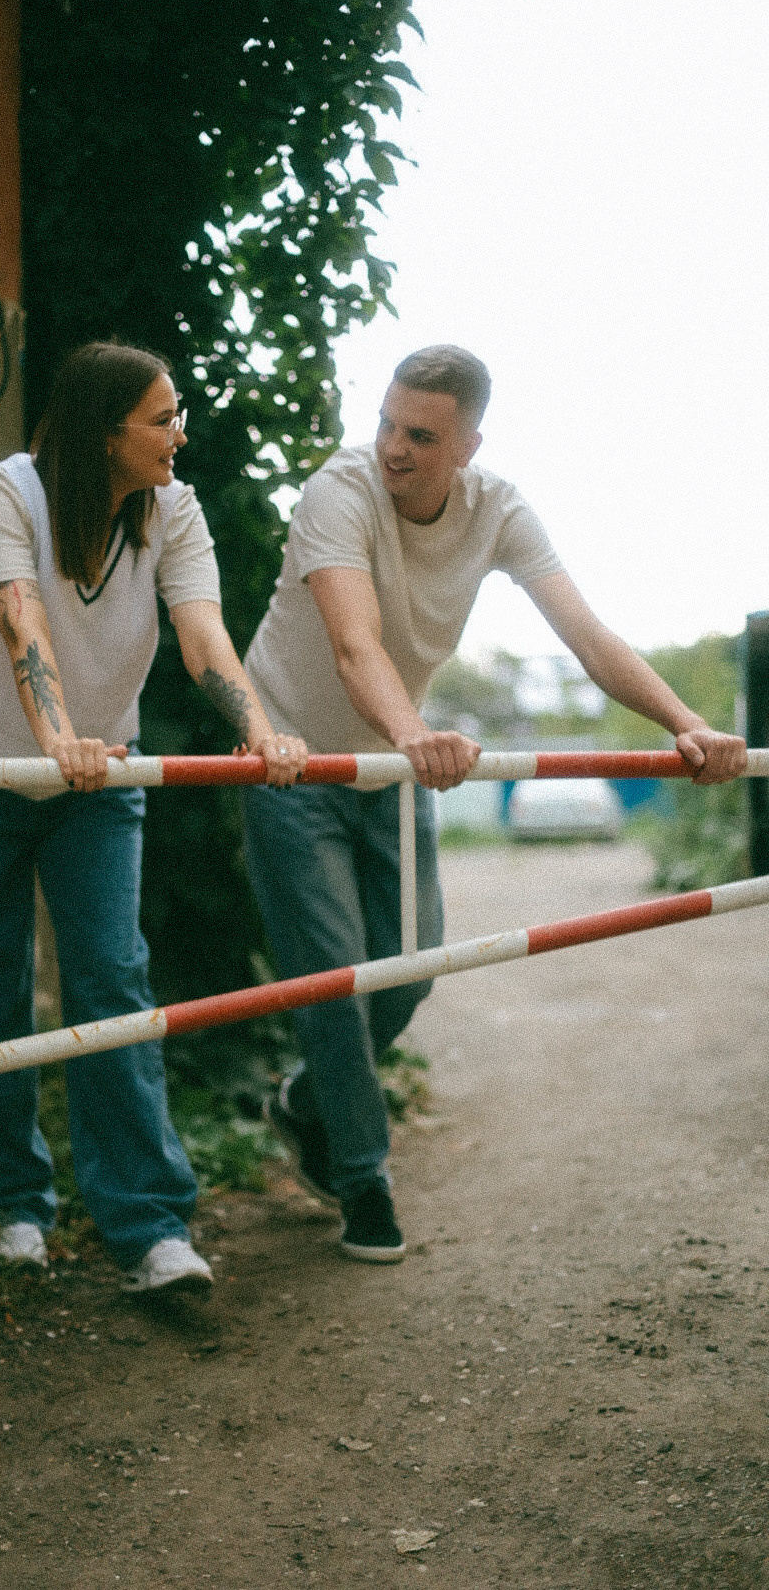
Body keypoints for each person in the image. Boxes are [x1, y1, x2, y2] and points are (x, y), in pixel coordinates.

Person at [241, 344, 747, 1264]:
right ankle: (363, 1180)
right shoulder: (337, 493)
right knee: (333, 982)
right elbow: (355, 646)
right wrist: (410, 737)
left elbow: (585, 633)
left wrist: (687, 722)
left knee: (409, 976)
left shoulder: (499, 509)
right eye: (388, 423)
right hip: (296, 760)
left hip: (397, 765)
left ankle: (305, 1101)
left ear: (468, 445)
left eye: (421, 436)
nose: (394, 447)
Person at [0, 341, 307, 1292]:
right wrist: (55, 735)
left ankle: (147, 1225)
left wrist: (261, 729)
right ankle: (11, 1206)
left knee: (112, 976)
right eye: (163, 418)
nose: (181, 434)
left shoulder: (173, 510)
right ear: (105, 433)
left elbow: (201, 629)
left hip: (101, 780)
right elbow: (20, 618)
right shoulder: (7, 492)